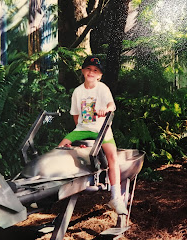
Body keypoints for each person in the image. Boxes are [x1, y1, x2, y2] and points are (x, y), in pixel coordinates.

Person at [58, 55, 128, 215]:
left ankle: (115, 197)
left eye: (95, 70)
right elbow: (76, 115)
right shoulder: (78, 91)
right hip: (83, 128)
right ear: (83, 71)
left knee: (112, 157)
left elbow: (112, 105)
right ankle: (53, 189)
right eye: (88, 69)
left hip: (101, 129)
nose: (91, 72)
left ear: (99, 75)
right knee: (60, 148)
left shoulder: (102, 88)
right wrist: (80, 136)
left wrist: (107, 109)